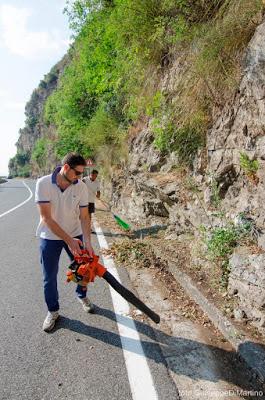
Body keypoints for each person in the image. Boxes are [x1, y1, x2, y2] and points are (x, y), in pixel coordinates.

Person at [35, 153, 94, 333]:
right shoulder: (43, 184)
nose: (79, 177)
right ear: (66, 168)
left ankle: (81, 295)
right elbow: (47, 218)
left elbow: (84, 216)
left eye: (82, 174)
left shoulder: (80, 186)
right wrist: (69, 241)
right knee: (49, 277)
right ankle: (53, 312)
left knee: (84, 269)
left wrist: (88, 243)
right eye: (77, 173)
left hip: (76, 233)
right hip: (49, 236)